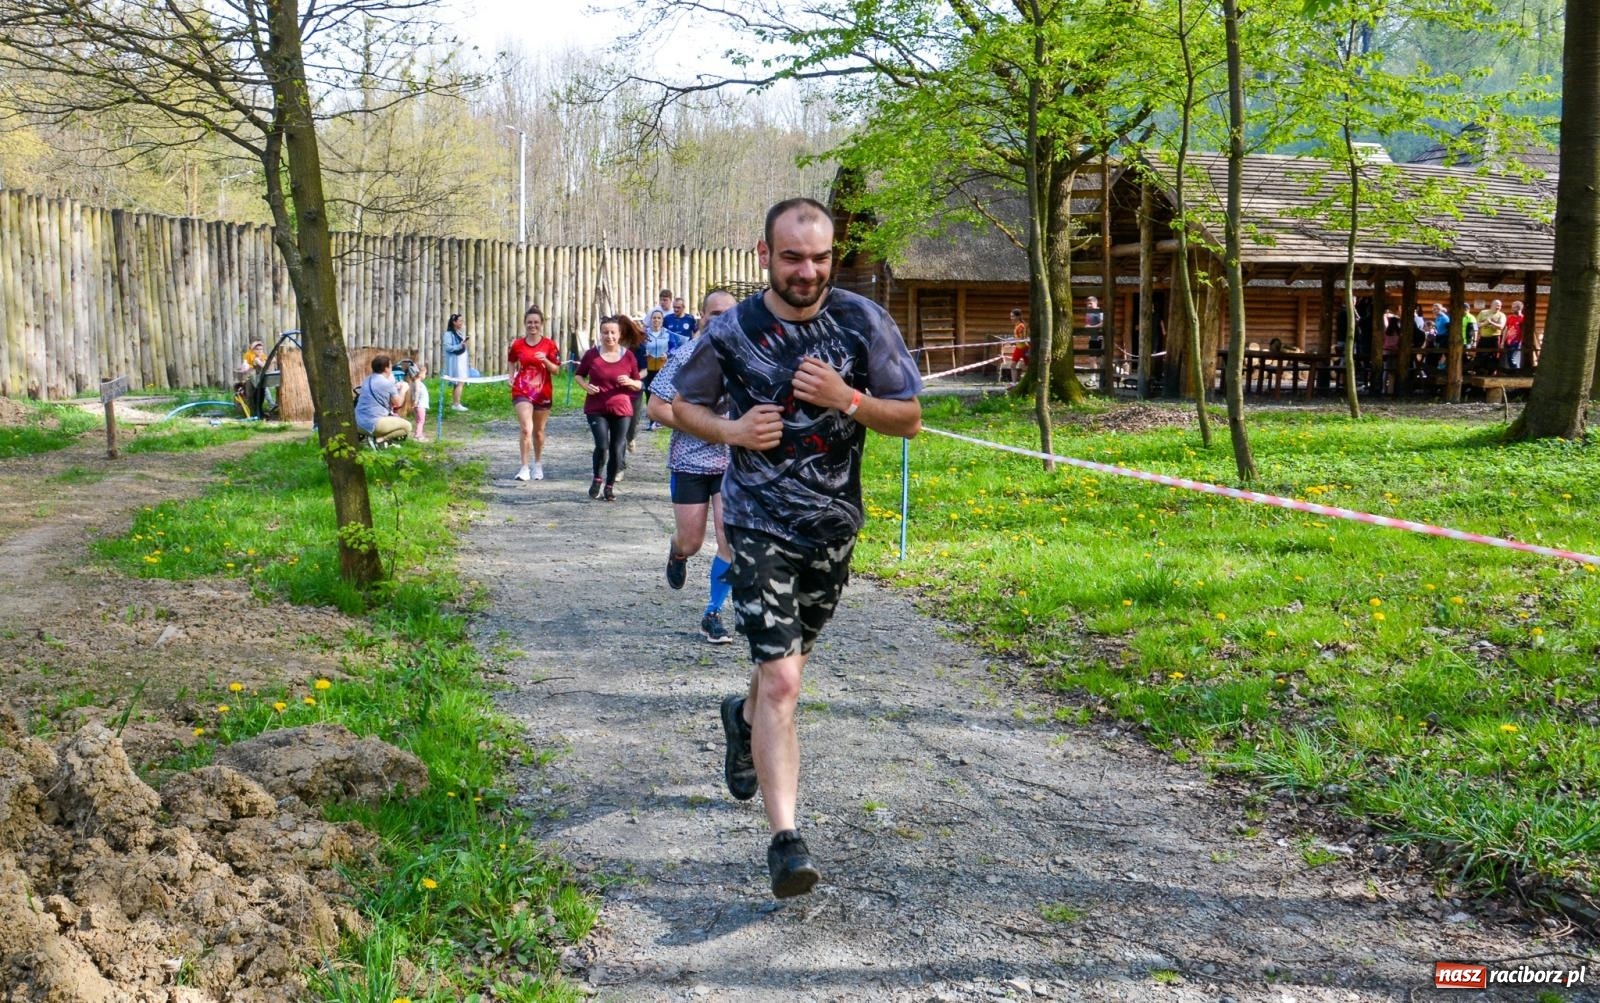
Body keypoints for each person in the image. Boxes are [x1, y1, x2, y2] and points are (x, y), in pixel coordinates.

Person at [671, 197, 923, 899]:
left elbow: (909, 417)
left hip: (833, 526)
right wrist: (730, 433)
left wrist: (848, 399)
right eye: (791, 257)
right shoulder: (732, 330)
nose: (806, 271)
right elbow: (677, 403)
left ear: (831, 256)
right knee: (784, 678)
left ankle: (742, 717)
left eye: (818, 258)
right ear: (763, 254)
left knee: (778, 670)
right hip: (756, 523)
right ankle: (787, 840)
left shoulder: (862, 321)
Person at [646, 288, 739, 645]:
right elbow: (656, 407)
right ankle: (677, 550)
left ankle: (712, 613)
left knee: (730, 537)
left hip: (732, 460)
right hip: (690, 460)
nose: (722, 320)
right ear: (702, 318)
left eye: (729, 314)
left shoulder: (747, 358)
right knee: (693, 541)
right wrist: (705, 427)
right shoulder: (686, 355)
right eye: (715, 314)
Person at [574, 315, 643, 501]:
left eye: (613, 332)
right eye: (605, 332)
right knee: (602, 445)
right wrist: (586, 386)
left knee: (617, 447)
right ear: (600, 333)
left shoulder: (628, 356)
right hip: (596, 407)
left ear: (619, 334)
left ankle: (610, 485)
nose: (609, 336)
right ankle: (597, 478)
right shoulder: (592, 354)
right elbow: (578, 375)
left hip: (621, 409)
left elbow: (639, 384)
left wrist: (630, 381)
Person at [508, 305, 561, 481]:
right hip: (522, 389)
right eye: (529, 322)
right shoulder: (517, 344)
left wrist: (545, 359)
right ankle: (524, 467)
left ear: (541, 324)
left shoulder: (549, 345)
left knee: (538, 432)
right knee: (526, 429)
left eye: (536, 322)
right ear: (524, 324)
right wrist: (511, 376)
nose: (533, 325)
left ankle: (537, 464)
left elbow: (556, 370)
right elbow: (511, 360)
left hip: (543, 392)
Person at [354, 355, 410, 445]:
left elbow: (380, 390)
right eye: (390, 366)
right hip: (373, 424)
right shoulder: (387, 383)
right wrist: (404, 389)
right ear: (386, 368)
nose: (391, 368)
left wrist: (395, 387)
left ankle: (373, 439)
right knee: (407, 427)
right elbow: (398, 403)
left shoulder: (367, 379)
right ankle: (380, 439)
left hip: (357, 423)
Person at [641, 308, 672, 431]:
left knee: (660, 394)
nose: (656, 320)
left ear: (662, 320)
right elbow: (639, 347)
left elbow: (675, 347)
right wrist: (644, 352)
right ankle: (652, 421)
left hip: (662, 368)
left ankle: (662, 420)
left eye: (659, 318)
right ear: (650, 320)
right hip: (648, 367)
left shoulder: (667, 334)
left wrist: (668, 354)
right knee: (649, 393)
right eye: (654, 318)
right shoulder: (644, 334)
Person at [442, 313, 469, 411]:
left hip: (461, 360)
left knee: (459, 382)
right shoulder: (448, 334)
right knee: (459, 382)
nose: (462, 323)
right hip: (455, 361)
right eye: (460, 321)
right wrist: (459, 346)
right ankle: (457, 404)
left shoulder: (460, 333)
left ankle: (455, 403)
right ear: (454, 322)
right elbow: (448, 347)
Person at [1002, 308, 1028, 383]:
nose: (1011, 318)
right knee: (1012, 365)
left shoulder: (1021, 326)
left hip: (1024, 348)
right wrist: (1012, 339)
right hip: (1018, 348)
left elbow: (1022, 338)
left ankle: (1025, 382)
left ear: (1018, 316)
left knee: (1027, 366)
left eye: (1013, 316)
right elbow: (1017, 338)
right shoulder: (1016, 325)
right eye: (1011, 316)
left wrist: (1012, 340)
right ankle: (1014, 383)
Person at [407, 361, 430, 441]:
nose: (425, 375)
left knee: (418, 420)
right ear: (419, 374)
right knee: (421, 421)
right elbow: (417, 392)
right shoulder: (417, 382)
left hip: (418, 405)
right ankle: (418, 436)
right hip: (420, 405)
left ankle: (418, 433)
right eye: (424, 373)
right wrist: (416, 401)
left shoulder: (414, 382)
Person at [1503, 300, 1526, 370]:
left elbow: (1523, 330)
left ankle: (1515, 371)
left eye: (1514, 307)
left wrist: (1522, 341)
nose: (1512, 309)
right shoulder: (1509, 317)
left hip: (1516, 341)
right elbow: (1506, 329)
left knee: (1512, 357)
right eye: (1512, 307)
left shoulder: (1523, 318)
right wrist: (1502, 341)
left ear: (1519, 308)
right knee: (1508, 357)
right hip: (1508, 341)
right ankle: (1512, 371)